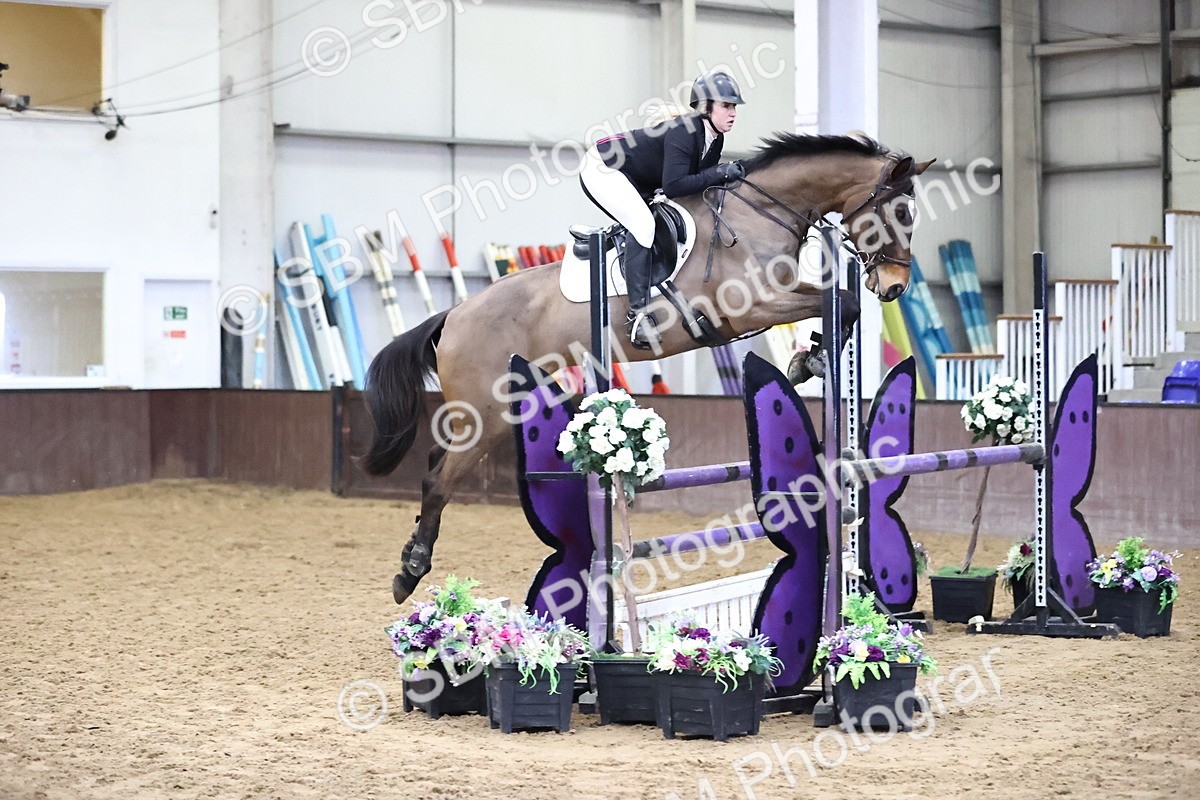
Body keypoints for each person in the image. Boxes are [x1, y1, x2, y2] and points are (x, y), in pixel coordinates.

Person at [580, 71, 748, 350]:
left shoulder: (714, 139)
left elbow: (698, 189)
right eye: (727, 106)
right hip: (602, 168)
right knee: (643, 224)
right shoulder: (686, 131)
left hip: (636, 179)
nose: (733, 113)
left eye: (734, 107)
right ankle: (638, 316)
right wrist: (720, 172)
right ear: (706, 107)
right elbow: (674, 186)